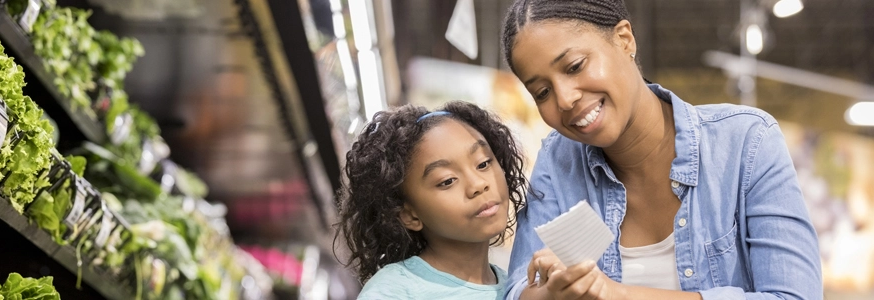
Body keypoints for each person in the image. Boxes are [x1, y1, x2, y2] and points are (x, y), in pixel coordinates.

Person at [499, 0, 823, 299]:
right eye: (541, 92)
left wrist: (616, 293)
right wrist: (550, 293)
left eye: (574, 66)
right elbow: (517, 289)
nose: (565, 99)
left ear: (624, 40)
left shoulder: (746, 142)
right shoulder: (559, 161)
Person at [334, 101, 529, 299]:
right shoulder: (393, 291)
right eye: (447, 181)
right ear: (409, 215)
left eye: (483, 163)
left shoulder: (518, 289)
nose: (478, 185)